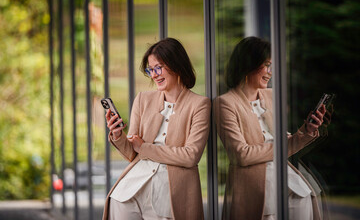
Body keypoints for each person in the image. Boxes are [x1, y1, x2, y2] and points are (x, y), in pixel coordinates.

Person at [214, 36, 326, 220]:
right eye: (266, 65)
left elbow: (287, 144)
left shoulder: (272, 96)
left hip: (294, 187)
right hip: (258, 193)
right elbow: (241, 155)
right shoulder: (225, 103)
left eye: (271, 66)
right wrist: (284, 145)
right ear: (248, 64)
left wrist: (306, 132)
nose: (270, 72)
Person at [102, 38, 211, 220]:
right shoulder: (143, 99)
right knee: (117, 202)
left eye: (158, 68)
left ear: (176, 65)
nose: (154, 75)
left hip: (170, 194)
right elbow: (132, 154)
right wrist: (118, 135)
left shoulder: (199, 104)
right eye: (150, 69)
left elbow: (191, 156)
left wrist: (144, 148)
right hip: (130, 190)